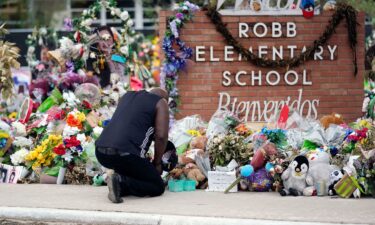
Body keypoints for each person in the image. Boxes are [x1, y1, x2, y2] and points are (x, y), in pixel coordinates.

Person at [95, 87, 169, 203]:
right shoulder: (160, 102)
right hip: (126, 153)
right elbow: (161, 136)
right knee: (157, 186)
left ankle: (118, 183)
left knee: (132, 169)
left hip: (101, 152)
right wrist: (157, 163)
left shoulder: (127, 96)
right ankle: (120, 182)